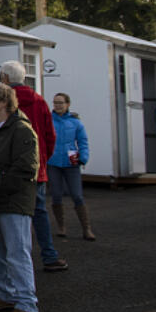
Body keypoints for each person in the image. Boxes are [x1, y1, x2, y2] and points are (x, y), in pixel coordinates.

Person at [0, 82, 40, 312]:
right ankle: (6, 294)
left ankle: (27, 303)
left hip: (14, 200)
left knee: (17, 252)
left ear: (4, 102)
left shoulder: (22, 130)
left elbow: (26, 168)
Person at [0, 60, 67, 273]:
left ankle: (11, 260)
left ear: (6, 79)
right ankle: (49, 256)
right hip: (36, 167)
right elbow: (49, 134)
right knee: (39, 212)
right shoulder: (39, 100)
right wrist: (43, 159)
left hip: (8, 169)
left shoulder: (1, 100)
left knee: (7, 214)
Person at [47, 92, 95, 241]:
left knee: (77, 195)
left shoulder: (76, 123)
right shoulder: (48, 120)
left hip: (71, 162)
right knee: (56, 195)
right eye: (55, 102)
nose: (57, 105)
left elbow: (83, 141)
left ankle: (86, 228)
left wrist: (84, 157)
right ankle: (61, 227)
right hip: (53, 162)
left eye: (60, 103)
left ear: (68, 104)